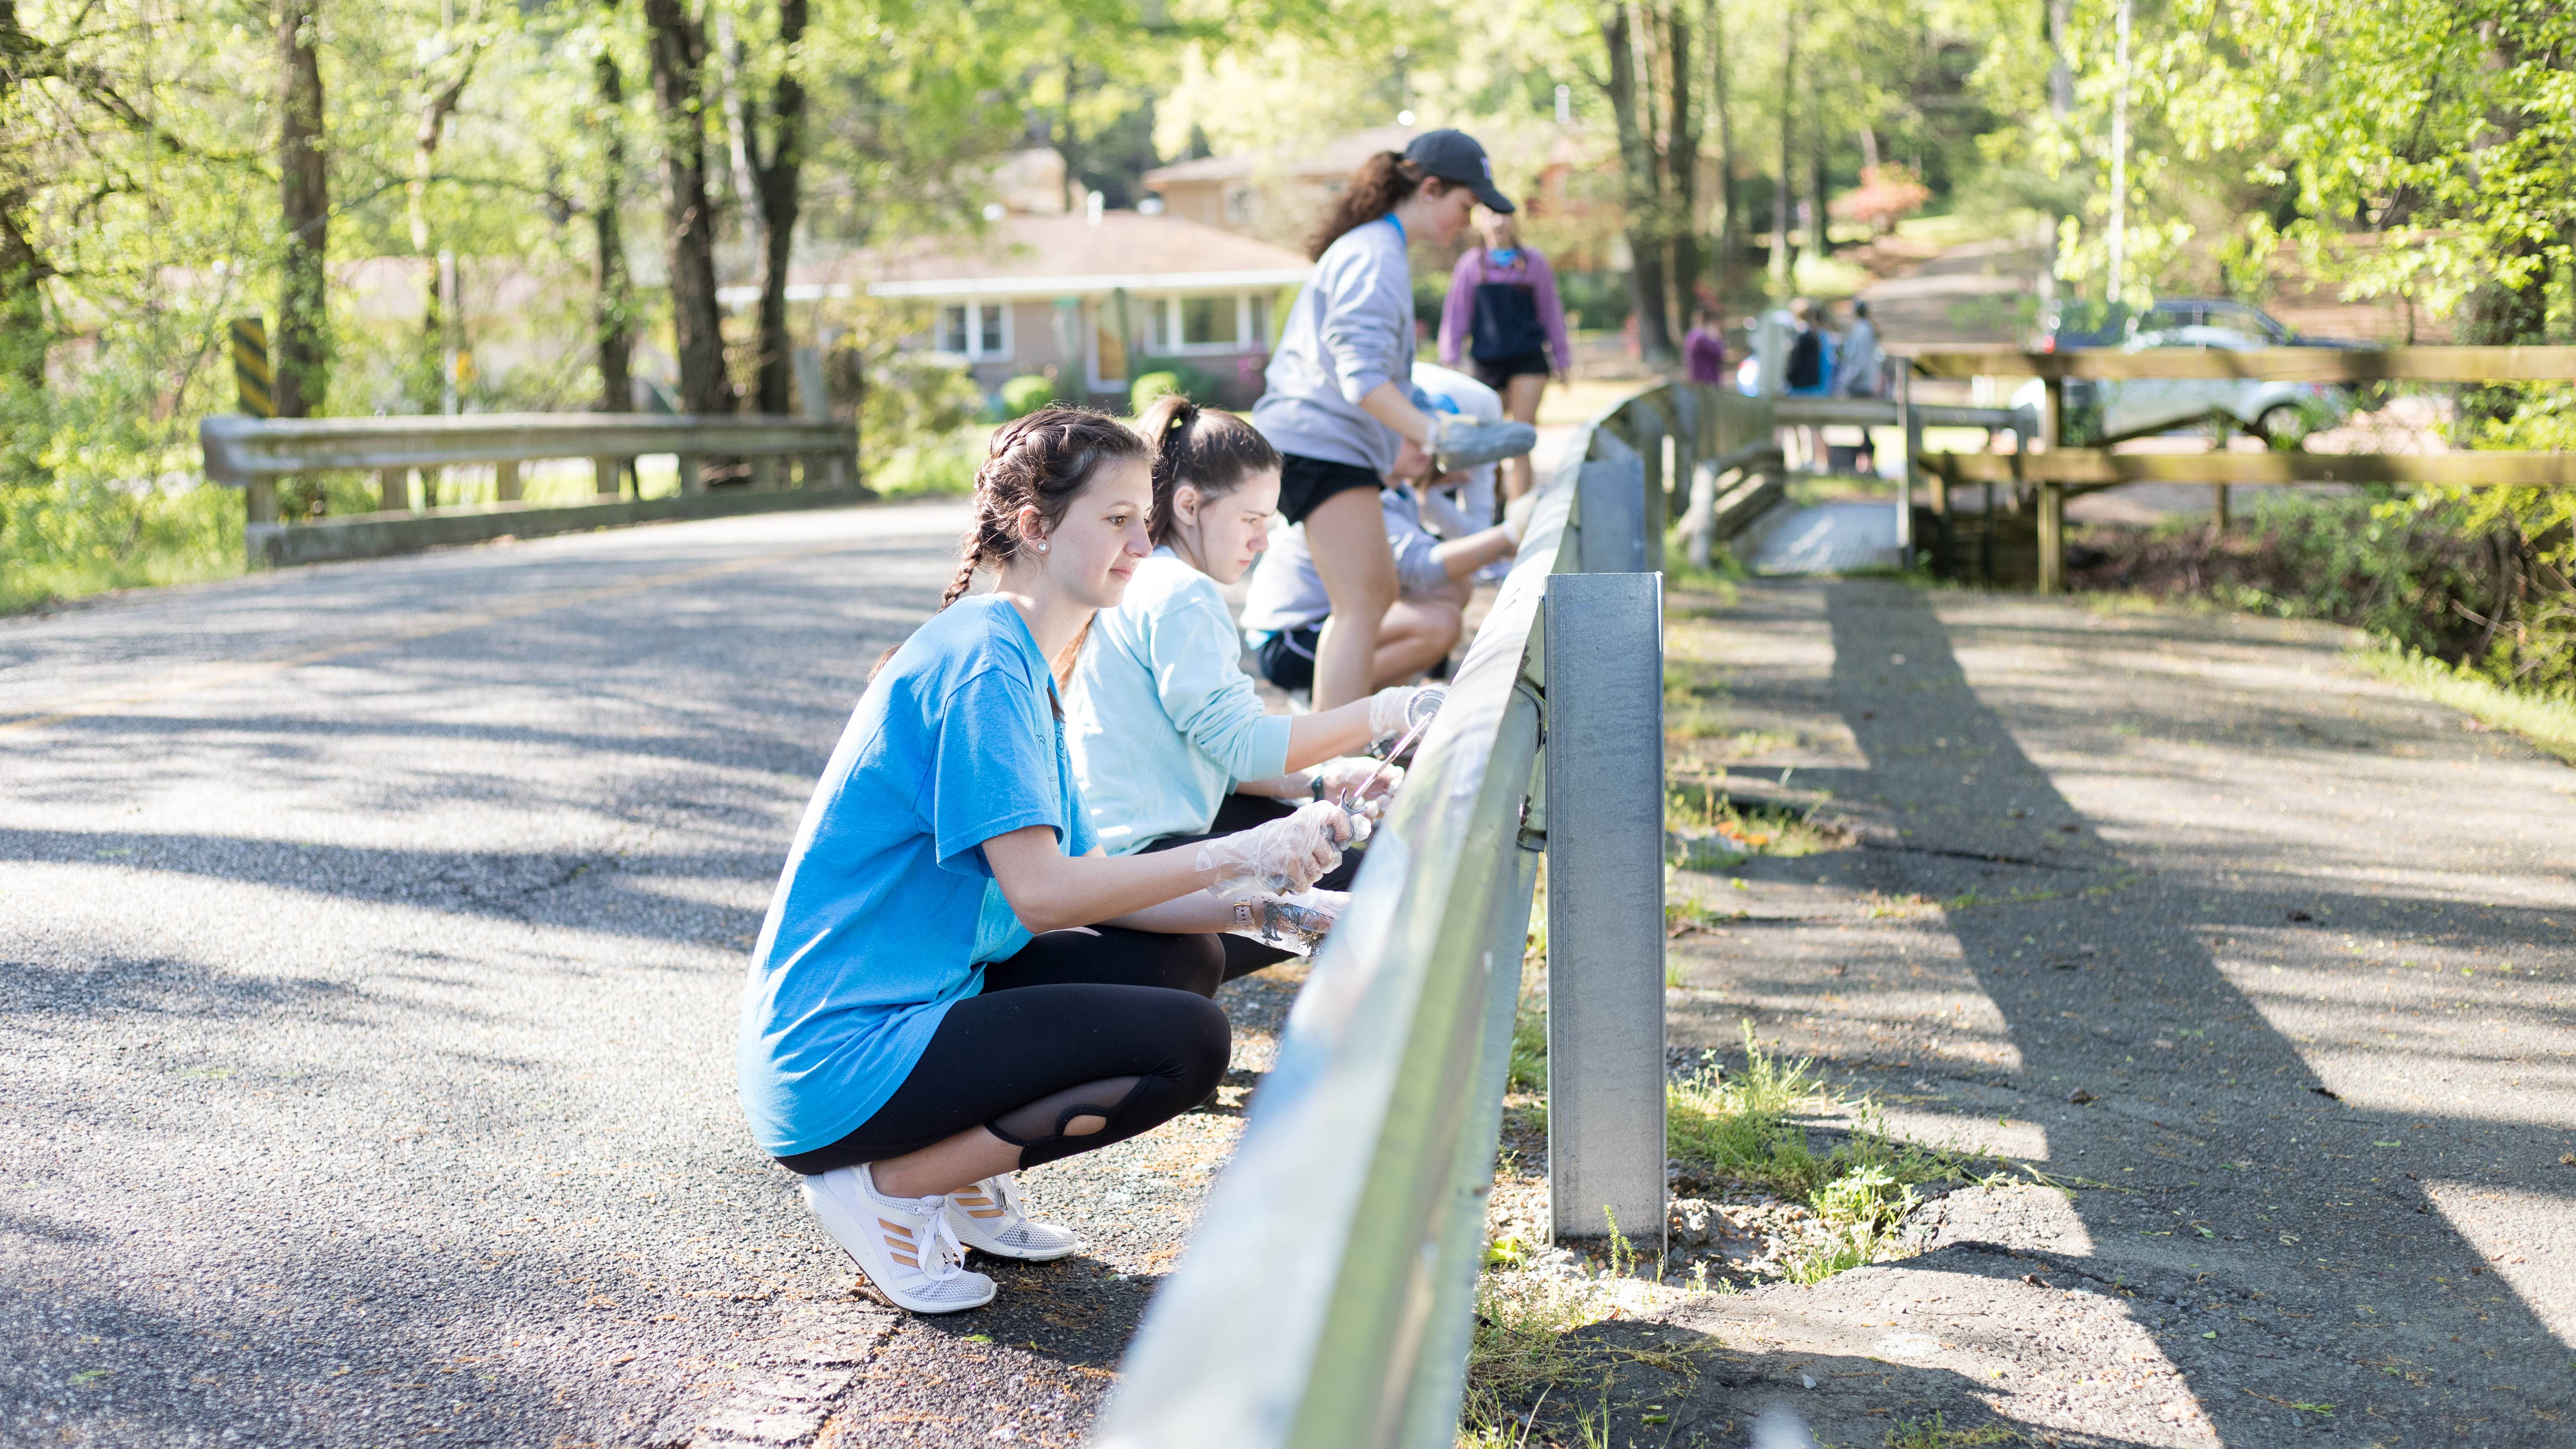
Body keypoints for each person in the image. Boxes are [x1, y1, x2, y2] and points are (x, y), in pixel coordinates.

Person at [737, 410, 1359, 1316]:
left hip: (925, 1001)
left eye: (1143, 521)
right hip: (841, 1060)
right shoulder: (984, 668)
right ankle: (893, 1188)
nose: (1143, 544)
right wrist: (1245, 848)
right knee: (1189, 1046)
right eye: (1115, 521)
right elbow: (1043, 896)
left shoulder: (1022, 658)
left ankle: (963, 1183)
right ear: (1035, 527)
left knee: (1186, 964)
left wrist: (1289, 914)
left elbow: (1102, 884)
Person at [1065, 395, 1432, 973]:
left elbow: (1219, 746)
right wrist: (1386, 711)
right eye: (1251, 520)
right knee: (1365, 879)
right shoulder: (1181, 593)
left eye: (1270, 523)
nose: (1263, 542)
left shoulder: (1144, 578)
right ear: (1190, 505)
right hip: (1139, 862)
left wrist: (1321, 780)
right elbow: (1241, 745)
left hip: (1113, 842)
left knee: (1338, 855)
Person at [1251, 128, 1532, 712]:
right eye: (1465, 204)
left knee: (1369, 599)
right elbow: (1362, 378)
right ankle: (1329, 763)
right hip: (1320, 442)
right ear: (1430, 189)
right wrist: (1438, 435)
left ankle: (1335, 751)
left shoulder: (1379, 249)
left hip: (1330, 444)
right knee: (1361, 606)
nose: (1468, 218)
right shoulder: (1374, 255)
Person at [1241, 474, 1533, 695]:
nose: (1425, 446)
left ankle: (1385, 700)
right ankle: (1329, 701)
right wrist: (1511, 532)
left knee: (1453, 589)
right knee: (1439, 624)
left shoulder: (1399, 490)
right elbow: (1425, 567)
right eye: (1412, 435)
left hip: (1321, 621)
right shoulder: (1361, 495)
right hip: (1288, 640)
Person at [1437, 210, 1570, 502]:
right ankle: (1495, 507)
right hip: (1487, 361)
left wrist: (1562, 359)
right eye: (1492, 217)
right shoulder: (1471, 265)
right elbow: (1457, 315)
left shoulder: (1534, 263)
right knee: (1491, 442)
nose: (1499, 223)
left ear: (1514, 221)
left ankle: (1518, 517)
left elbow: (1551, 312)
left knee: (1520, 438)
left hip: (1527, 360)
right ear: (1481, 222)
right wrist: (1450, 357)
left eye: (1505, 217)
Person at [1833, 299, 1885, 474]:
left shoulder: (1862, 331)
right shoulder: (1866, 329)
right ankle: (1866, 464)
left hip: (1860, 385)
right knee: (1865, 426)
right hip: (1864, 383)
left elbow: (1859, 362)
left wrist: (1845, 381)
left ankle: (1867, 464)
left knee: (1865, 426)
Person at [1683, 305, 1728, 386]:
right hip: (1706, 381)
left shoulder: (1692, 334)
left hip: (1698, 379)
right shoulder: (1701, 338)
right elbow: (1719, 352)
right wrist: (1717, 338)